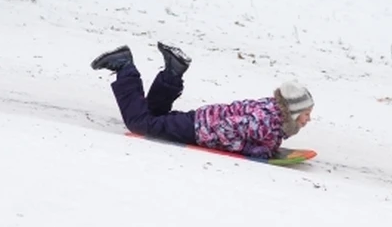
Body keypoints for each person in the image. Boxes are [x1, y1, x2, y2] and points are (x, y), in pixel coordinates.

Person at [91, 42, 314, 159]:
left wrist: (267, 147)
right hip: (197, 130)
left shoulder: (272, 112)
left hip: (200, 122)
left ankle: (173, 71)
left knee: (154, 115)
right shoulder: (267, 121)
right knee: (139, 124)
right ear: (293, 112)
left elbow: (257, 132)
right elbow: (228, 128)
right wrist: (250, 149)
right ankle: (124, 66)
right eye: (306, 114)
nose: (308, 119)